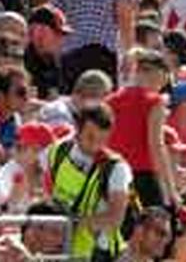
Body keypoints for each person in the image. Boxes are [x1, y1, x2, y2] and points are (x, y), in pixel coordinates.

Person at [43, 102, 132, 260]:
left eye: (102, 139)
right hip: (60, 250)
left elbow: (115, 218)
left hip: (98, 254)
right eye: (90, 137)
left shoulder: (116, 168)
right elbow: (47, 192)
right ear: (77, 129)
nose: (96, 145)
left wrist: (73, 222)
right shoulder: (57, 151)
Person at [105, 48, 176, 208]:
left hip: (112, 175)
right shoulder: (154, 101)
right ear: (160, 74)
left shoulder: (110, 100)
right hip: (142, 177)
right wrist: (171, 191)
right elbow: (156, 146)